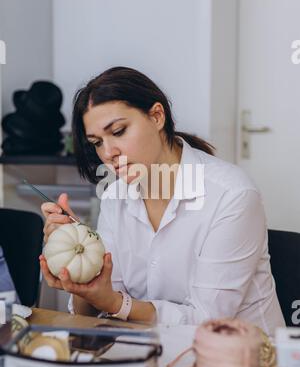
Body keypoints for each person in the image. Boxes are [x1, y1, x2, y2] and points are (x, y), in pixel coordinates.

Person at [40, 67, 285, 336]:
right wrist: (81, 258)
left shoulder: (232, 195)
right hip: (153, 354)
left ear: (157, 116)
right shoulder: (114, 196)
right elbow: (99, 306)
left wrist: (115, 303)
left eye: (119, 131)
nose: (108, 153)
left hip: (245, 362)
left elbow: (207, 321)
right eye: (97, 142)